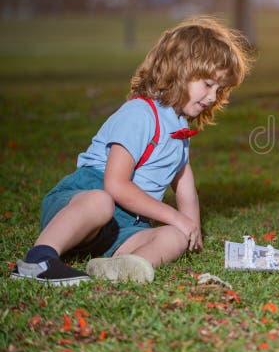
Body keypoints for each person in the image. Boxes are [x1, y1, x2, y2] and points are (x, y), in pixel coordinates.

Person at [10, 18, 252, 285]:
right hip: (83, 203)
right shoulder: (140, 114)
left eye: (219, 90)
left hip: (123, 227)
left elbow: (185, 187)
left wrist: (190, 231)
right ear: (180, 70)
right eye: (208, 84)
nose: (211, 97)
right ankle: (38, 259)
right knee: (100, 202)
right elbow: (115, 185)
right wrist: (174, 216)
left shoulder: (179, 128)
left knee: (174, 236)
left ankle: (118, 268)